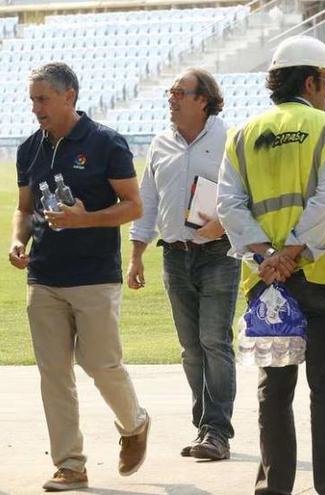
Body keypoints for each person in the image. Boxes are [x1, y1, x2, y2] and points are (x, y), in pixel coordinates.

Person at [218, 35, 325, 495]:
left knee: (275, 390)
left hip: (267, 281)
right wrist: (294, 250)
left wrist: (267, 255)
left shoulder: (242, 135)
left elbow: (229, 203)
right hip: (324, 276)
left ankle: (274, 487)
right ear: (311, 80)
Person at [8, 62, 149, 492]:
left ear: (69, 96)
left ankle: (134, 423)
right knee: (54, 373)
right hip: (44, 277)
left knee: (100, 364)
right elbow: (25, 208)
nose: (36, 108)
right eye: (32, 99)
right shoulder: (29, 148)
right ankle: (70, 465)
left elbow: (133, 206)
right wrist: (18, 241)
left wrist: (85, 221)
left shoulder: (106, 143)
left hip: (94, 277)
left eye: (42, 99)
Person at [128, 68, 239, 461]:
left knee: (215, 341)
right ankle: (203, 426)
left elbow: (248, 194)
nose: (171, 99)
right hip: (174, 255)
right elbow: (148, 201)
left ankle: (216, 431)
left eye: (179, 92)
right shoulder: (160, 144)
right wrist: (136, 254)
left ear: (203, 99)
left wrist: (223, 223)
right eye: (171, 93)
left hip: (219, 254)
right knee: (191, 348)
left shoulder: (230, 139)